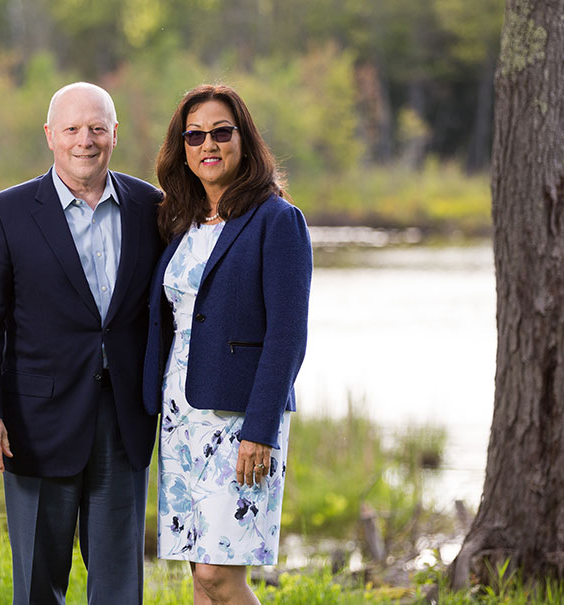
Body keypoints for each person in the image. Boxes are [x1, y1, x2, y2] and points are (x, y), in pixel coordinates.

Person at [0, 82, 163, 605]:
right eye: (72, 128)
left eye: (97, 128)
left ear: (115, 133)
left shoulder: (151, 207)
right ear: (50, 136)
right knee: (38, 582)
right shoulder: (4, 214)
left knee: (119, 583)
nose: (85, 141)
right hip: (34, 422)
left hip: (123, 418)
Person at [142, 84, 312, 604]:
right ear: (183, 147)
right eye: (195, 135)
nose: (208, 144)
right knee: (200, 577)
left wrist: (260, 429)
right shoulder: (182, 223)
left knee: (221, 577)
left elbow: (287, 334)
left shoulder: (276, 220)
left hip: (240, 422)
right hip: (180, 416)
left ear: (245, 140)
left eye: (221, 132)